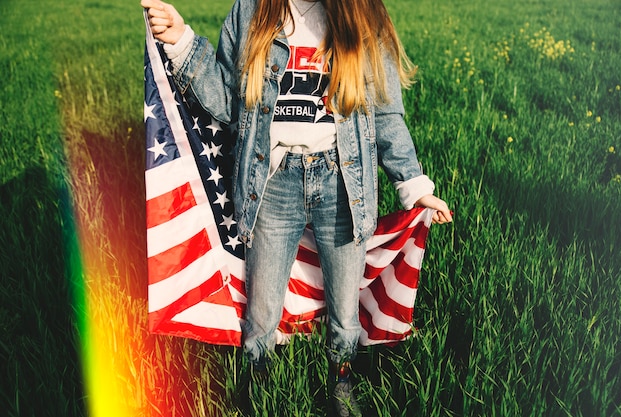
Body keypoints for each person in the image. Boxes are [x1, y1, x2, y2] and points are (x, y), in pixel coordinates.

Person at [142, 0, 453, 415]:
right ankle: (260, 380)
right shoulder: (250, 12)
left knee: (345, 303)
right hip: (272, 181)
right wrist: (181, 39)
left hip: (344, 181)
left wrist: (414, 186)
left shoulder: (360, 15)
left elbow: (385, 113)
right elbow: (229, 102)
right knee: (263, 305)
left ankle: (341, 378)